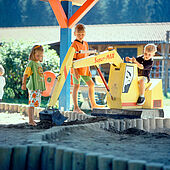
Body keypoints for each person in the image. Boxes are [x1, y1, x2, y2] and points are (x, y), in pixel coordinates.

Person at [71, 23, 104, 113]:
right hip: (76, 69)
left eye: (82, 34)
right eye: (78, 34)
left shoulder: (85, 43)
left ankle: (93, 104)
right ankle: (76, 107)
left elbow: (86, 56)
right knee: (76, 86)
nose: (80, 36)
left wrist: (89, 67)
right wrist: (75, 71)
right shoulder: (74, 45)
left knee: (91, 84)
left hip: (85, 69)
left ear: (84, 34)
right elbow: (72, 59)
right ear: (74, 34)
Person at [21, 45, 46, 126]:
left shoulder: (39, 64)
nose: (39, 57)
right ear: (33, 54)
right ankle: (30, 120)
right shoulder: (31, 63)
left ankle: (32, 120)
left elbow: (41, 76)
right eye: (37, 55)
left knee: (35, 104)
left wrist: (42, 88)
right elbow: (25, 74)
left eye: (41, 56)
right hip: (33, 87)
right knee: (32, 104)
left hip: (38, 88)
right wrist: (23, 84)